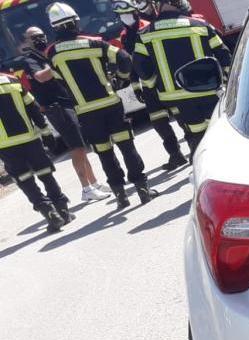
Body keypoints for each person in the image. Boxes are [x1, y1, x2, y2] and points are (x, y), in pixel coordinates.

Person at [44, 2, 155, 208]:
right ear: (75, 22)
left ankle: (120, 195)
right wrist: (121, 79)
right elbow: (124, 58)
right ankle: (142, 189)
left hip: (85, 111)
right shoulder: (95, 43)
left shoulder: (52, 53)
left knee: (104, 153)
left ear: (55, 27)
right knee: (127, 146)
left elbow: (58, 79)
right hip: (110, 103)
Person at [16, 26, 111, 203]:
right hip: (56, 107)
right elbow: (40, 77)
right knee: (77, 147)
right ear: (27, 41)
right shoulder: (29, 59)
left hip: (66, 103)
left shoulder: (44, 54)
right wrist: (56, 63)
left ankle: (94, 183)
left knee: (81, 145)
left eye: (41, 35)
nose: (40, 39)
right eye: (34, 37)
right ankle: (86, 188)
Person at [131, 0, 230, 155]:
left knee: (197, 137)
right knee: (220, 132)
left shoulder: (145, 34)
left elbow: (140, 67)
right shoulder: (201, 25)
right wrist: (227, 81)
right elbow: (225, 56)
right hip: (208, 91)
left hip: (176, 98)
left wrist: (155, 84)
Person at [111, 0, 187, 171]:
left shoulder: (148, 26)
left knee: (181, 115)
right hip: (147, 85)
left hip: (163, 80)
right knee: (158, 121)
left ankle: (194, 143)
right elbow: (132, 62)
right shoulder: (124, 35)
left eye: (127, 13)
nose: (125, 18)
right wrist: (136, 86)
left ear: (136, 12)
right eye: (121, 15)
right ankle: (175, 154)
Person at [0, 72, 73, 231]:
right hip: (30, 138)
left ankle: (48, 211)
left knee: (24, 179)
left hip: (5, 145)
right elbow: (32, 107)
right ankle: (62, 210)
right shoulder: (11, 80)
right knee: (45, 172)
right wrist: (46, 131)